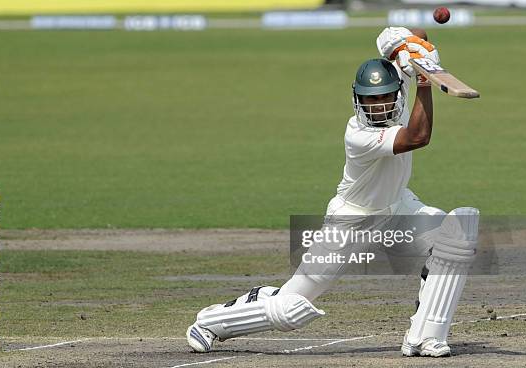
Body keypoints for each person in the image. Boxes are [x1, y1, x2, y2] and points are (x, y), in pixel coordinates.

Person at [186, 27, 479, 358]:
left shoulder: (400, 77)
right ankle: (212, 321)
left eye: (384, 97)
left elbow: (410, 33)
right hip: (350, 223)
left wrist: (410, 47)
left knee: (457, 234)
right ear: (358, 100)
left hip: (397, 208)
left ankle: (425, 337)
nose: (378, 106)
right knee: (292, 307)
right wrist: (425, 78)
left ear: (396, 93)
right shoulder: (359, 135)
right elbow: (417, 137)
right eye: (370, 100)